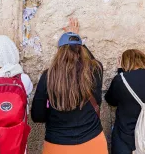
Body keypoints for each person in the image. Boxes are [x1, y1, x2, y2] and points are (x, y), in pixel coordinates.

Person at [31, 18, 108, 154]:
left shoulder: (47, 76)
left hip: (57, 145)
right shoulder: (95, 70)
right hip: (93, 142)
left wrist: (55, 112)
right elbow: (93, 61)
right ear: (81, 50)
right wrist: (76, 38)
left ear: (59, 52)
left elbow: (37, 116)